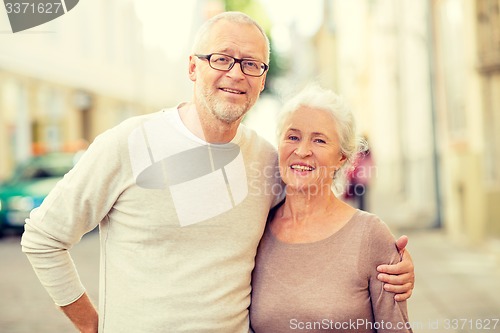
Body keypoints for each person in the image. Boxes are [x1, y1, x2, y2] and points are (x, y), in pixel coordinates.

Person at [21, 12, 414, 333]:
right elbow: (42, 238)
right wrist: (93, 327)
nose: (236, 73)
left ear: (262, 80)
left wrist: (389, 272)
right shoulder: (127, 143)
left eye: (251, 64)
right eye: (222, 58)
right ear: (193, 67)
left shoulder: (266, 159)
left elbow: (313, 226)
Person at [250, 85, 413, 332]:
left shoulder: (370, 235)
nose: (302, 151)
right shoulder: (256, 229)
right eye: (293, 137)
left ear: (342, 158)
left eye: (319, 140)